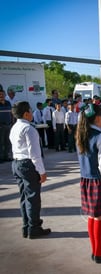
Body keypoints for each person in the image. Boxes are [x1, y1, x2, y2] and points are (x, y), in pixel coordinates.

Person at [76, 103, 101, 263]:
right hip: (98, 181)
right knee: (99, 217)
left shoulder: (81, 135)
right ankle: (99, 252)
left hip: (85, 179)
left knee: (92, 216)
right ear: (99, 118)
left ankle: (96, 250)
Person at [9, 101, 51, 239]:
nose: (32, 114)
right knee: (33, 198)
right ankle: (34, 228)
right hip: (27, 164)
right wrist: (42, 171)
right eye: (31, 111)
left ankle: (26, 226)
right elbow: (35, 154)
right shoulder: (29, 129)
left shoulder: (15, 127)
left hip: (17, 163)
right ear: (26, 114)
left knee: (24, 197)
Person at [0, 88, 13, 162]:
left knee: (8, 142)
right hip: (1, 126)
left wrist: (12, 123)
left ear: (5, 95)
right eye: (0, 94)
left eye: (2, 94)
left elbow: (11, 114)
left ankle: (7, 156)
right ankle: (1, 158)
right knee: (1, 142)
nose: (1, 96)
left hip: (8, 125)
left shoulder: (8, 103)